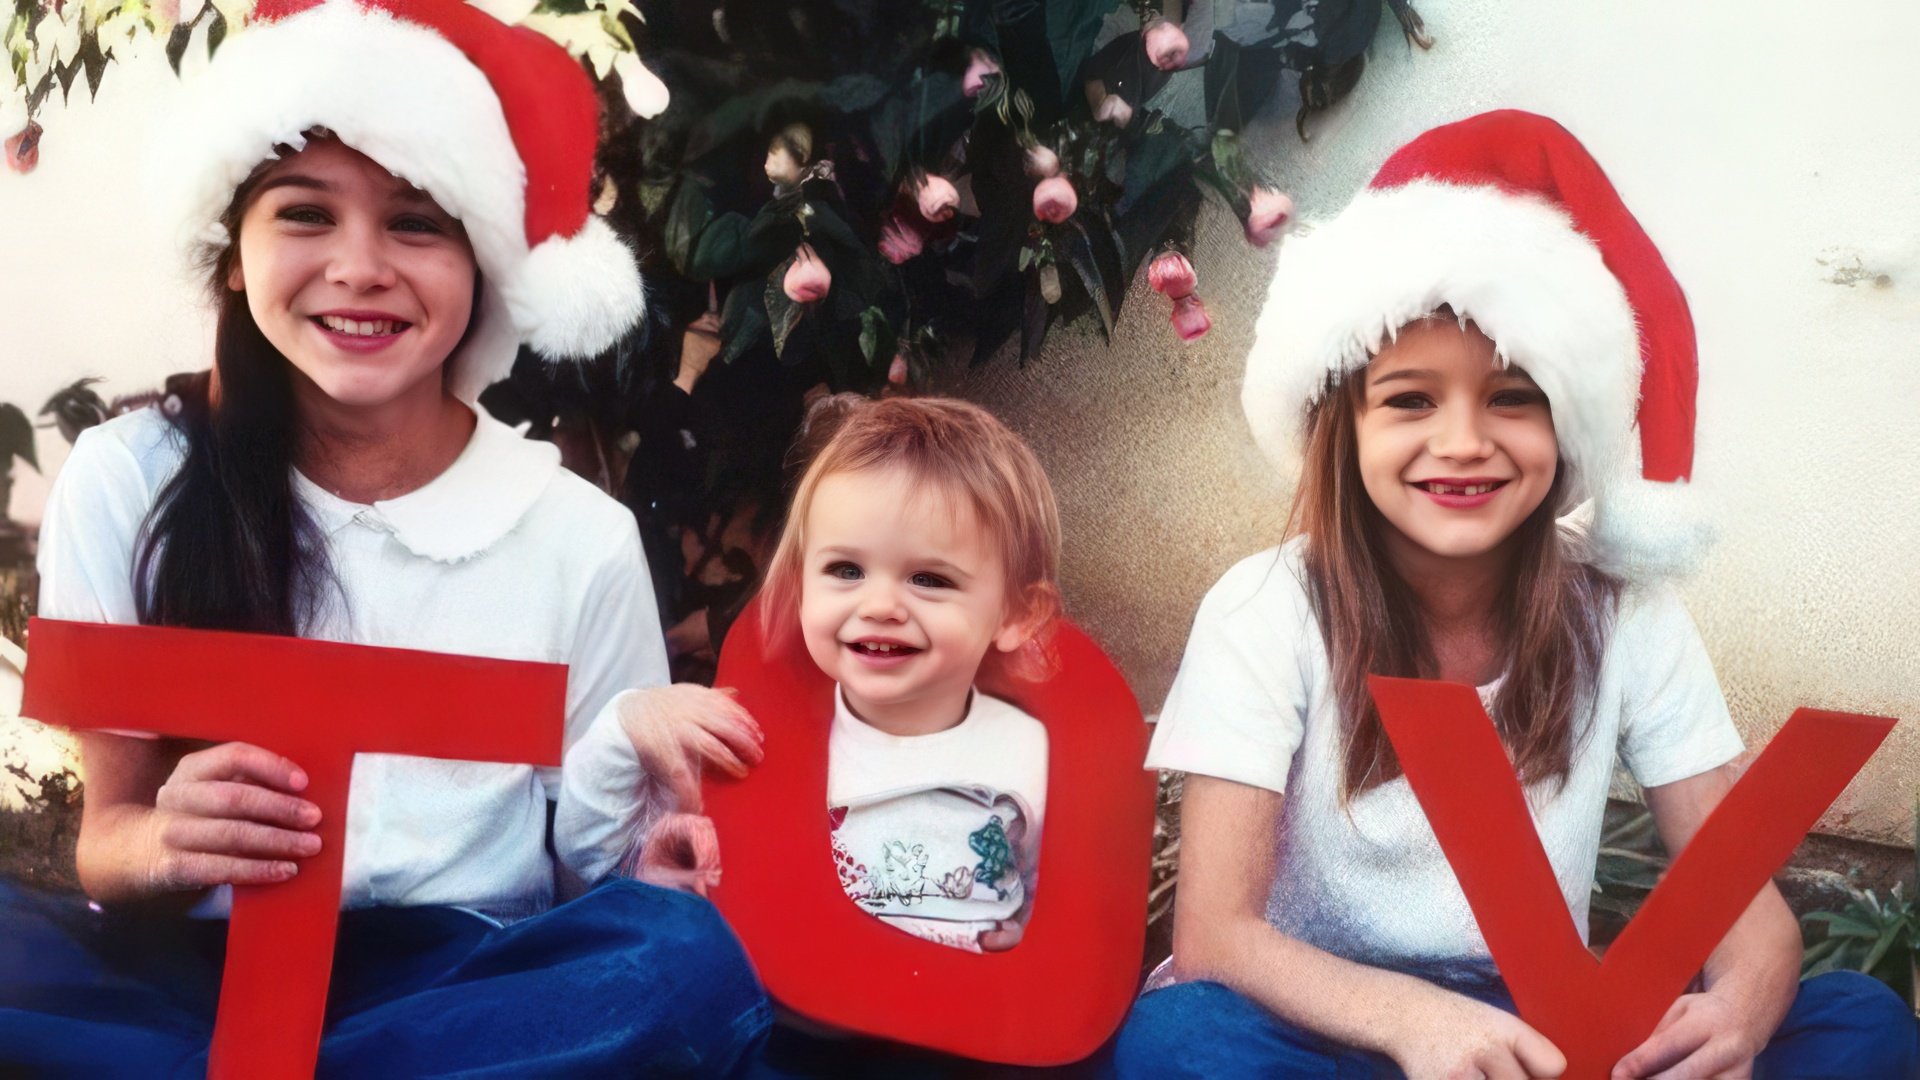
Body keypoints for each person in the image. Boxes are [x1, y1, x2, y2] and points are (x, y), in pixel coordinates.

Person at [0, 0, 769, 1073]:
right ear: (232, 256)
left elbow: (593, 871)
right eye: (305, 215)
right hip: (183, 978)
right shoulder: (128, 480)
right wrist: (166, 844)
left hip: (461, 990)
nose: (360, 268)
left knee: (679, 962)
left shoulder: (575, 538)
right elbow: (108, 838)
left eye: (417, 222)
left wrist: (658, 868)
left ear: (484, 265)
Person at [1111, 111, 1920, 1079]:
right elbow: (1214, 934)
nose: (1464, 441)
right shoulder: (1265, 610)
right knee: (1179, 1044)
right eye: (1411, 399)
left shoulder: (1625, 614)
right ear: (1342, 423)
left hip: (1540, 1032)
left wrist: (1735, 1018)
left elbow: (1753, 923)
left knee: (1862, 1023)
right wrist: (1416, 1025)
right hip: (1331, 1023)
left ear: (1567, 424)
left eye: (1513, 397)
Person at [561, 395, 1062, 957]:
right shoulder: (749, 735)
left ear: (1018, 616)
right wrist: (627, 729)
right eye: (846, 570)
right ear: (800, 588)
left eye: (929, 578)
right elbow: (590, 857)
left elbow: (1069, 911)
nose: (879, 605)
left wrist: (1029, 951)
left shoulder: (1035, 754)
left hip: (964, 1033)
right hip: (786, 1025)